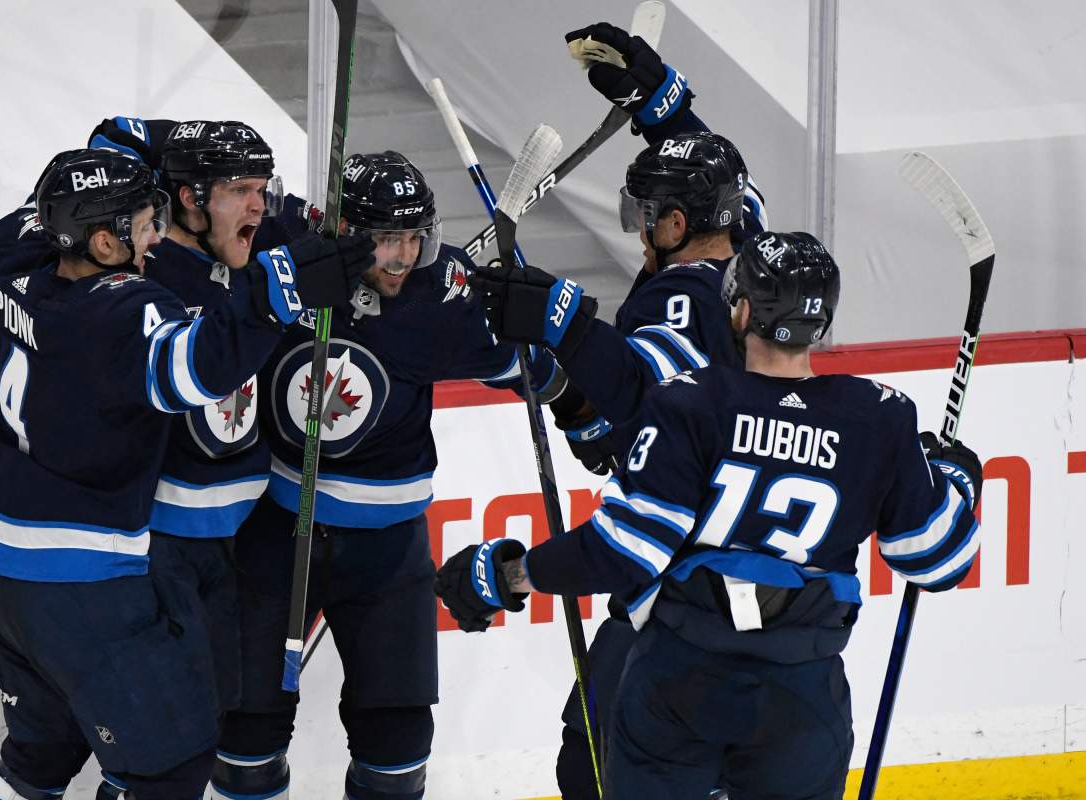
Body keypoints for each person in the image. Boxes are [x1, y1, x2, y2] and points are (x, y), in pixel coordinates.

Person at [437, 231, 983, 798]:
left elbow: (623, 553)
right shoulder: (878, 417)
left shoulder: (690, 401)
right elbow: (937, 560)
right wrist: (958, 485)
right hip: (802, 703)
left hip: (680, 686)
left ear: (742, 310)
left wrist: (509, 576)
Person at [0, 147, 368, 800]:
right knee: (167, 767)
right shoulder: (120, 313)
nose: (154, 240)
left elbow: (30, 217)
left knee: (38, 758)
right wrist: (277, 290)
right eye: (144, 226)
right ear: (102, 241)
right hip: (76, 580)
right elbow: (196, 368)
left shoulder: (11, 260)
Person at [471, 21, 767, 795]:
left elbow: (651, 408)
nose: (640, 234)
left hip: (677, 589)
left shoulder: (672, 300)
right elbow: (730, 179)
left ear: (673, 225)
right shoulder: (761, 267)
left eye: (647, 217)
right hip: (769, 590)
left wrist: (563, 327)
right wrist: (662, 105)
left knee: (593, 760)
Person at [210, 151, 562, 800]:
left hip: (390, 548)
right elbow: (207, 254)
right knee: (245, 735)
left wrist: (533, 336)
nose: (401, 258)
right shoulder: (293, 247)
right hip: (278, 534)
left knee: (398, 746)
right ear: (345, 232)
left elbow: (534, 369)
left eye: (412, 239)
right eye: (384, 240)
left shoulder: (443, 287)